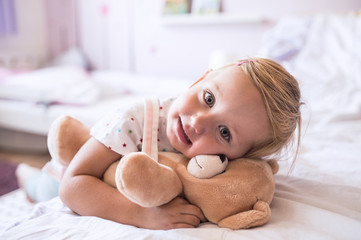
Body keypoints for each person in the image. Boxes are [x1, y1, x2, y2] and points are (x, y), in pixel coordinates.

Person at [16, 58, 302, 230]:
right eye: (209, 99)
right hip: (67, 173)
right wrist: (140, 215)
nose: (197, 123)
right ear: (202, 77)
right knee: (41, 187)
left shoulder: (226, 164)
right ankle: (24, 175)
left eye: (225, 133)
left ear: (242, 156)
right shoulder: (135, 118)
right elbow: (73, 186)